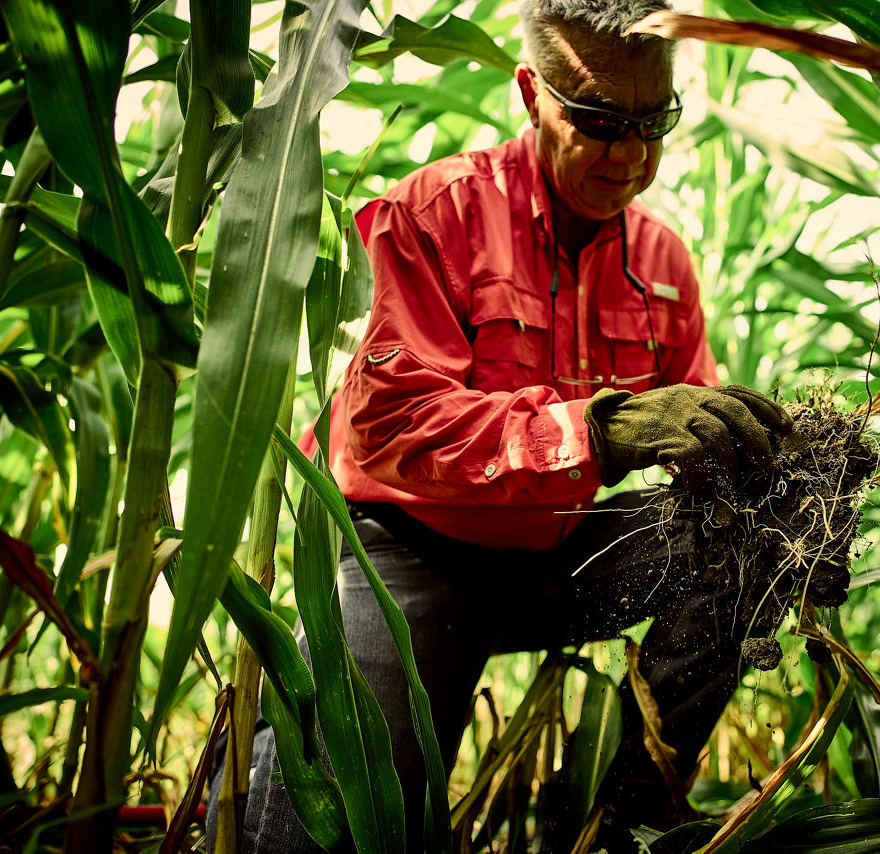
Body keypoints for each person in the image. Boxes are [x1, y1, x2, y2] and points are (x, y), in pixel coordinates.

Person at [210, 0, 792, 850]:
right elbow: (389, 429)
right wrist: (602, 430)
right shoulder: (432, 213)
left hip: (562, 554)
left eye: (651, 120)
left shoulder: (662, 261)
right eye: (596, 121)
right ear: (531, 94)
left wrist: (771, 482)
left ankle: (612, 819)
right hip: (405, 547)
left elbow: (687, 439)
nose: (628, 153)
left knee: (750, 539)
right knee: (357, 827)